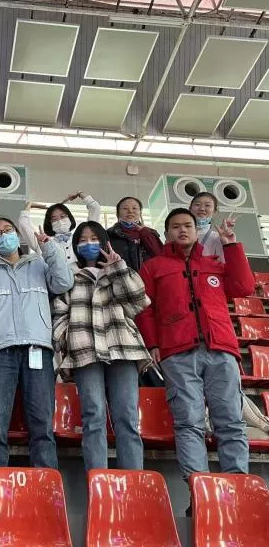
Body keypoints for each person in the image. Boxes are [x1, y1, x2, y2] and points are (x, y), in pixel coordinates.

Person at [136, 208, 255, 510]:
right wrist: (153, 343)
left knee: (230, 421)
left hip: (220, 349)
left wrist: (231, 244)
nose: (182, 230)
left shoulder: (214, 263)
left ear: (196, 230)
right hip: (177, 353)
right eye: (176, 226)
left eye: (187, 225)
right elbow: (144, 308)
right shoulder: (154, 267)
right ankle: (199, 493)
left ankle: (237, 491)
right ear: (167, 233)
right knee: (188, 423)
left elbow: (244, 287)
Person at [0, 218, 74, 472]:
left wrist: (48, 247)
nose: (4, 236)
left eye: (8, 230)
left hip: (37, 348)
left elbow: (63, 282)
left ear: (17, 234)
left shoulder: (39, 263)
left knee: (42, 426)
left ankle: (46, 488)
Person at [52, 221, 150, 472]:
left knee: (127, 417)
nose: (89, 244)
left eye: (94, 239)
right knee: (93, 416)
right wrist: (67, 338)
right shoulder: (70, 275)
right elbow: (59, 313)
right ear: (76, 246)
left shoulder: (120, 269)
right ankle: (97, 480)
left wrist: (118, 269)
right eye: (83, 240)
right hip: (84, 351)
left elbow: (139, 302)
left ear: (105, 241)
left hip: (122, 348)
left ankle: (133, 480)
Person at [19, 192, 101, 265]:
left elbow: (95, 208)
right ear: (50, 224)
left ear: (70, 218)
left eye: (62, 216)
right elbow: (23, 223)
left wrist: (80, 194)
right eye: (54, 219)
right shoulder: (43, 242)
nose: (60, 221)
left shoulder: (82, 239)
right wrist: (29, 205)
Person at [107, 196, 163, 272]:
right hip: (121, 277)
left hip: (148, 277)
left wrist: (146, 234)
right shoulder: (109, 234)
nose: (130, 211)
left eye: (134, 208)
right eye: (125, 208)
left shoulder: (150, 233)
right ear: (118, 214)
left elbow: (161, 256)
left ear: (140, 213)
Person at [189, 192, 232, 262]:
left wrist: (228, 245)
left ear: (214, 211)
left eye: (207, 205)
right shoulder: (180, 233)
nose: (202, 208)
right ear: (190, 209)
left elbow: (225, 263)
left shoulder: (218, 238)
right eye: (197, 204)